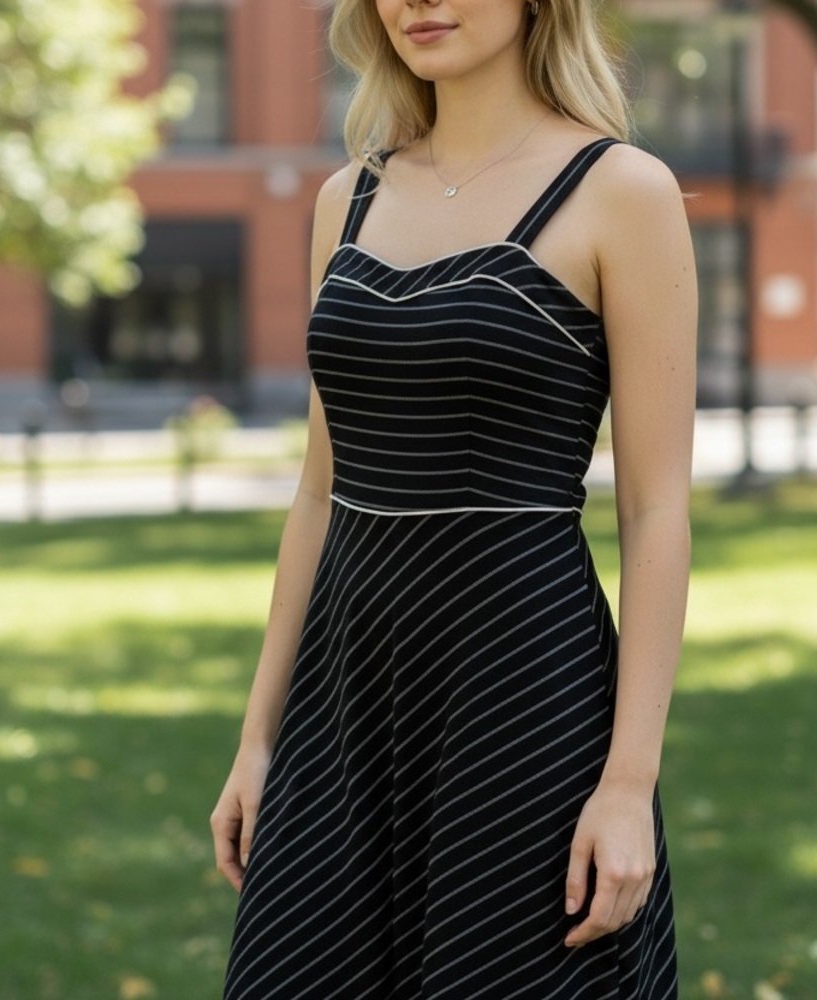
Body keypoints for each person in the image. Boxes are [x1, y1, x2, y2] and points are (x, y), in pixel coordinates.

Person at [210, 0, 696, 996]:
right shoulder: (343, 196)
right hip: (343, 702)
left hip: (522, 694)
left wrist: (628, 781)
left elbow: (655, 509)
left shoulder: (622, 191)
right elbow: (317, 491)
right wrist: (258, 739)